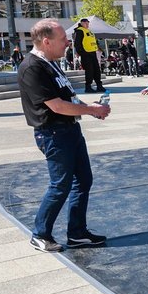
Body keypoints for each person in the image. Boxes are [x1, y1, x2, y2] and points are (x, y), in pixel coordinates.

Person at [17, 19, 111, 252]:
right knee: (60, 185)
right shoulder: (33, 67)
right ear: (46, 41)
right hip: (53, 133)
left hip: (69, 130)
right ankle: (40, 234)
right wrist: (91, 110)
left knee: (83, 180)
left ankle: (77, 233)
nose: (68, 42)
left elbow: (68, 98)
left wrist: (91, 107)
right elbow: (56, 106)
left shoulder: (51, 63)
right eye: (63, 39)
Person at [73, 18, 104, 93]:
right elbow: (77, 43)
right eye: (86, 23)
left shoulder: (89, 31)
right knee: (89, 71)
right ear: (82, 23)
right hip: (86, 54)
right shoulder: (79, 31)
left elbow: (93, 41)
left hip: (92, 53)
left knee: (96, 70)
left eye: (88, 23)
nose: (87, 24)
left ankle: (99, 86)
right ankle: (88, 87)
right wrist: (82, 53)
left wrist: (97, 48)